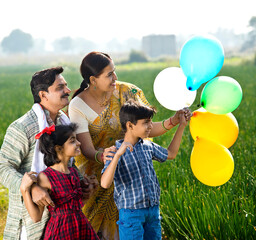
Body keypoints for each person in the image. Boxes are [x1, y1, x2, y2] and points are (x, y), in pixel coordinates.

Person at [68, 51, 190, 239]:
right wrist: (108, 156)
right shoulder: (78, 104)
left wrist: (174, 122)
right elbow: (86, 149)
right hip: (100, 174)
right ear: (93, 79)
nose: (115, 78)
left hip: (133, 176)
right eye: (109, 74)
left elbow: (146, 127)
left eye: (114, 71)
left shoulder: (127, 92)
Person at [0, 67, 93, 240]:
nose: (68, 91)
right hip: (32, 213)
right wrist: (33, 188)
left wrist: (79, 180)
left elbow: (65, 163)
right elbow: (2, 168)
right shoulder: (23, 127)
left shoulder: (64, 122)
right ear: (43, 95)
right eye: (60, 87)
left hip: (63, 219)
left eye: (66, 86)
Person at [100, 100, 190, 240]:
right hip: (131, 214)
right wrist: (118, 155)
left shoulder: (148, 146)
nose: (150, 126)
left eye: (150, 122)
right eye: (146, 122)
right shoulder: (114, 151)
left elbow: (171, 154)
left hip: (153, 211)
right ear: (130, 125)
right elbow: (105, 183)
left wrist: (181, 125)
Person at [20, 123, 100, 240]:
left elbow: (76, 205)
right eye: (72, 141)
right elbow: (36, 216)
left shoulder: (73, 172)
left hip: (80, 226)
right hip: (60, 231)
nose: (79, 143)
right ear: (58, 148)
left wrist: (90, 190)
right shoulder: (46, 177)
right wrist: (24, 190)